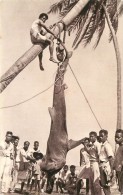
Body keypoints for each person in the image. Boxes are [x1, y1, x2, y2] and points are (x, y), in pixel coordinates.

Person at [99, 129, 114, 195]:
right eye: (99, 136)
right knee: (103, 185)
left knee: (106, 185)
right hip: (102, 165)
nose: (100, 137)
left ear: (106, 136)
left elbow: (111, 158)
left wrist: (112, 170)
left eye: (102, 136)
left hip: (106, 166)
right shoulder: (102, 145)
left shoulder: (107, 145)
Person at [114, 129, 123, 195]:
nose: (116, 139)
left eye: (118, 137)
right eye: (115, 137)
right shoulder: (119, 147)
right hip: (119, 172)